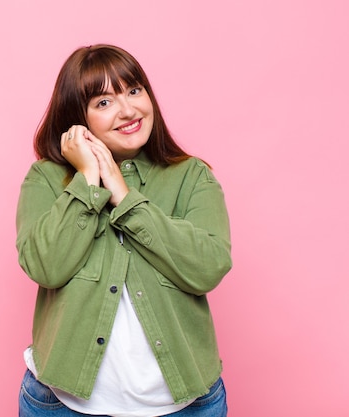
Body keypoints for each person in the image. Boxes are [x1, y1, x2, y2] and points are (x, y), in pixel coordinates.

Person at [15, 44, 232, 417]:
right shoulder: (47, 180)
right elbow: (44, 266)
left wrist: (123, 196)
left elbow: (208, 267)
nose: (129, 110)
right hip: (62, 404)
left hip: (186, 407)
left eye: (134, 90)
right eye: (103, 102)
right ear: (76, 118)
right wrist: (88, 180)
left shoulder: (192, 176)